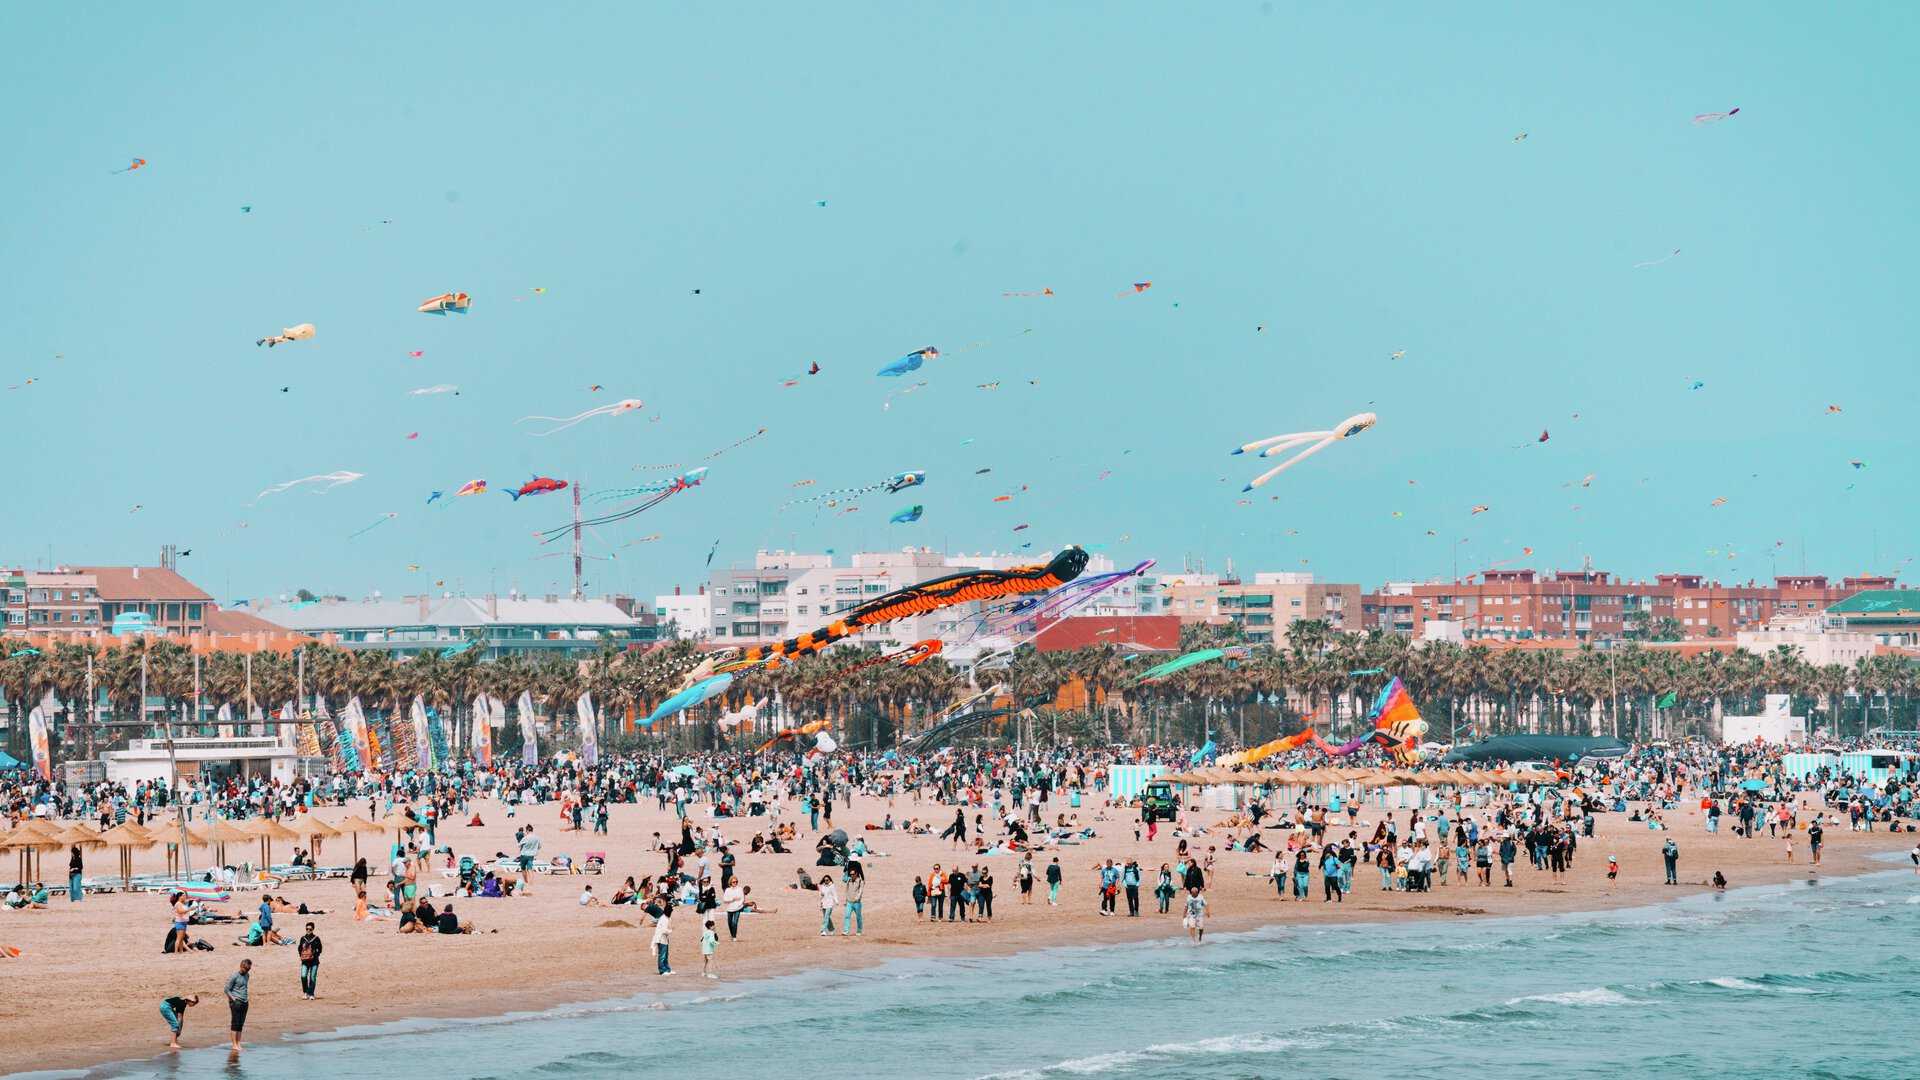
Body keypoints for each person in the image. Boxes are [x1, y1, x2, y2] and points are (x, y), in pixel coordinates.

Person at [225, 958, 252, 1051]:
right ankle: (234, 1045)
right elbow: (226, 989)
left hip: (245, 1002)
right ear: (241, 966)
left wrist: (246, 998)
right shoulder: (234, 976)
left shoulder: (247, 975)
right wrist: (233, 999)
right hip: (236, 1002)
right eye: (245, 968)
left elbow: (244, 988)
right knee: (235, 1023)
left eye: (248, 969)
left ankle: (238, 1044)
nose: (246, 970)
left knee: (241, 1023)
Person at [297, 923, 322, 999]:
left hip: (314, 961)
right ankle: (305, 992)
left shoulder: (316, 938)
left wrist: (315, 954)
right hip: (305, 961)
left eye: (310, 929)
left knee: (312, 977)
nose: (308, 930)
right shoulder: (303, 938)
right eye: (307, 929)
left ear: (313, 929)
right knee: (303, 976)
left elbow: (320, 949)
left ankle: (311, 994)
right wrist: (302, 956)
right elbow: (299, 949)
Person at [842, 863, 864, 936]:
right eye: (850, 874)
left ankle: (859, 930)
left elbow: (860, 891)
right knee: (847, 916)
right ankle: (846, 931)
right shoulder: (849, 880)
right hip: (849, 902)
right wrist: (845, 871)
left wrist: (857, 898)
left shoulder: (860, 881)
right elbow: (846, 889)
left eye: (853, 874)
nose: (851, 875)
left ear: (856, 874)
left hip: (857, 903)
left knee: (858, 917)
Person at [652, 908, 673, 975]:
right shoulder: (664, 919)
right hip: (661, 939)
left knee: (665, 955)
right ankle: (662, 971)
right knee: (662, 955)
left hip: (664, 939)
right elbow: (664, 930)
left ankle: (667, 969)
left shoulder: (665, 918)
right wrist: (670, 931)